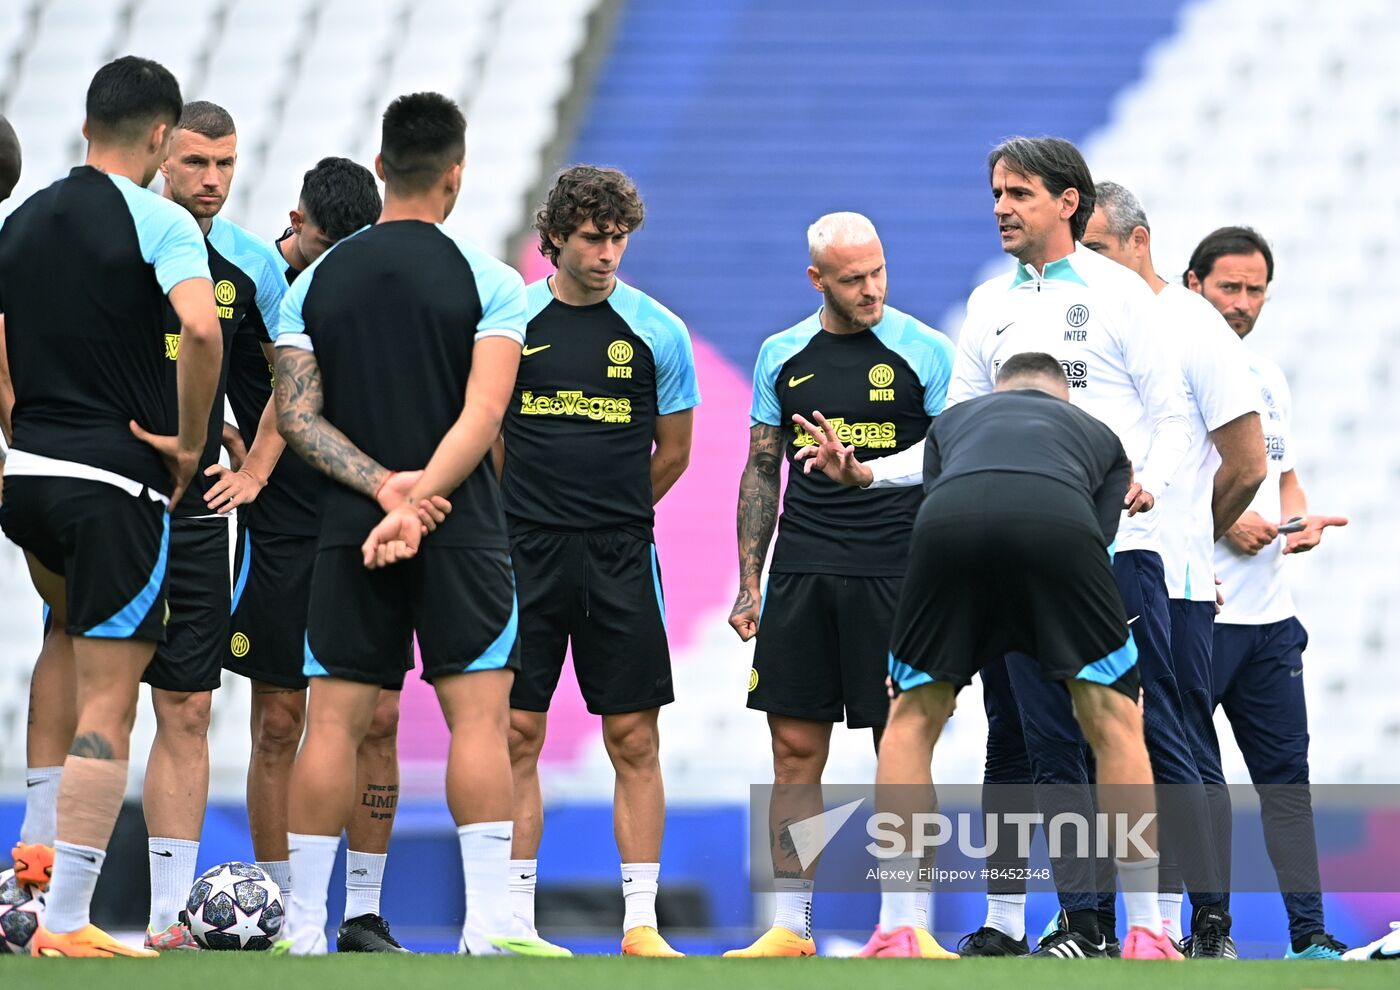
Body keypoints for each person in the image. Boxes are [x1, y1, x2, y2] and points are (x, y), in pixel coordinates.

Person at [938, 137, 1239, 959]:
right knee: (1047, 743)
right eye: (996, 192)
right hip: (1017, 555)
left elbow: (1177, 416)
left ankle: (1162, 921)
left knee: (1123, 734)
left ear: (1068, 203)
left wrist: (1152, 478)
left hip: (1114, 549)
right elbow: (956, 431)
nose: (1001, 206)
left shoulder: (1121, 296)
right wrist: (870, 472)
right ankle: (1086, 923)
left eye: (1020, 193)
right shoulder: (985, 304)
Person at [273, 91, 559, 957]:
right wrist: (424, 498)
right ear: (456, 176)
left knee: (331, 724)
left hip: (346, 528)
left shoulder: (316, 279)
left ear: (379, 168)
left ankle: (303, 929)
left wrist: (385, 496)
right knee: (480, 724)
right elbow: (483, 416)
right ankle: (486, 932)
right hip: (463, 526)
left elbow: (297, 420)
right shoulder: (493, 282)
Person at [794, 353, 1180, 961]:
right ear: (1064, 401)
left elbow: (934, 486)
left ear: (998, 392)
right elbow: (1098, 540)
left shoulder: (956, 421)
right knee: (1117, 727)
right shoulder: (1100, 437)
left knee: (910, 723)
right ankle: (1149, 932)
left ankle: (897, 927)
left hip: (947, 530)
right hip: (1061, 533)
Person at [0, 56, 221, 957]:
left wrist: (18, 424)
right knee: (108, 704)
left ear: (89, 122)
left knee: (63, 649)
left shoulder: (19, 222)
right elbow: (201, 329)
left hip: (27, 483)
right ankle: (67, 921)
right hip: (113, 486)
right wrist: (190, 439)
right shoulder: (160, 218)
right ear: (163, 136)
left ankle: (31, 870)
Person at [724, 211, 954, 958]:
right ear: (817, 279)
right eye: (853, 278)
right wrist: (749, 584)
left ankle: (905, 922)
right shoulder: (782, 355)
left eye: (878, 271)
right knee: (793, 751)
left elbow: (952, 463)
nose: (871, 289)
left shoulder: (926, 352)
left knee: (902, 744)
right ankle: (793, 926)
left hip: (898, 573)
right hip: (804, 571)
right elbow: (762, 468)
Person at [493, 165, 698, 957]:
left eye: (618, 238)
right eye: (592, 237)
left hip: (620, 555)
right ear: (555, 240)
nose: (608, 252)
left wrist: (608, 512)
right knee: (517, 731)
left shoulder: (657, 331)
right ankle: (513, 921)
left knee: (634, 739)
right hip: (524, 554)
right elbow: (494, 436)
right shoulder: (513, 322)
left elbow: (673, 453)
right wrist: (535, 513)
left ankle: (640, 925)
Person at [221, 156, 410, 952]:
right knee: (277, 720)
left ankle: (361, 913)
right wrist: (229, 447)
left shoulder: (376, 286)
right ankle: (276, 911)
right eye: (322, 244)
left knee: (381, 718)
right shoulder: (254, 281)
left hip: (364, 515)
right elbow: (269, 402)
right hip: (281, 524)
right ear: (296, 224)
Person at [1081, 182, 1267, 947]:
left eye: (1094, 249)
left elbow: (1248, 460)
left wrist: (1198, 532)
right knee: (1108, 742)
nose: (1081, 265)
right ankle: (1119, 923)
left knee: (1177, 739)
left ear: (1139, 243)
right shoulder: (1090, 318)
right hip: (1099, 564)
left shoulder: (1189, 325)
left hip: (1175, 575)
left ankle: (1211, 922)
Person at [123, 100, 287, 951]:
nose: (213, 182)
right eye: (196, 164)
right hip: (110, 501)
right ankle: (55, 899)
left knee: (187, 705)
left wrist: (252, 463)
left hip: (193, 510)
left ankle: (163, 924)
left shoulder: (251, 266)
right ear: (160, 155)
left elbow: (300, 375)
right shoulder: (117, 243)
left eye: (226, 164)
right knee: (98, 702)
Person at [1187, 226, 1349, 960]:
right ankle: (1208, 932)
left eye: (1256, 291)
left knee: (1287, 783)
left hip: (1270, 620)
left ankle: (1310, 935)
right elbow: (1151, 490)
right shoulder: (1173, 375)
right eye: (1231, 287)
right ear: (1193, 285)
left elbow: (1283, 475)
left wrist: (1298, 518)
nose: (1244, 303)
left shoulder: (1267, 376)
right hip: (1200, 611)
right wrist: (1228, 522)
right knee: (1196, 784)